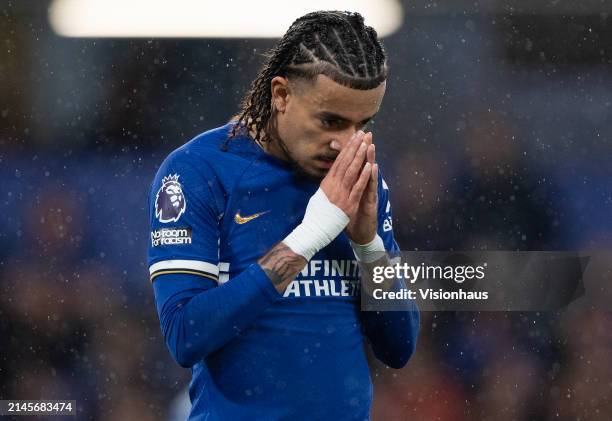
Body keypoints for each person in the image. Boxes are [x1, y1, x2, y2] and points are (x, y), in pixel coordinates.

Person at [148, 10, 419, 420]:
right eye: (331, 121)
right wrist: (307, 238)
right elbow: (185, 334)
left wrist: (368, 246)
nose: (344, 144)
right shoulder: (198, 172)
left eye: (362, 124)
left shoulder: (356, 179)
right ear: (281, 95)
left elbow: (399, 348)